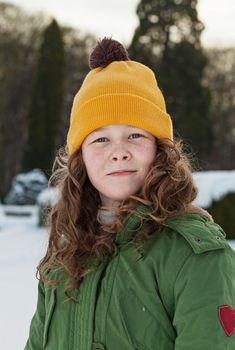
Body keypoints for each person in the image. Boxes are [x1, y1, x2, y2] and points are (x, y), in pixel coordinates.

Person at [24, 37, 235, 350]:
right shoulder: (64, 255)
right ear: (80, 157)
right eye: (101, 139)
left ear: (159, 149)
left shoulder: (194, 256)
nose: (119, 152)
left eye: (135, 135)